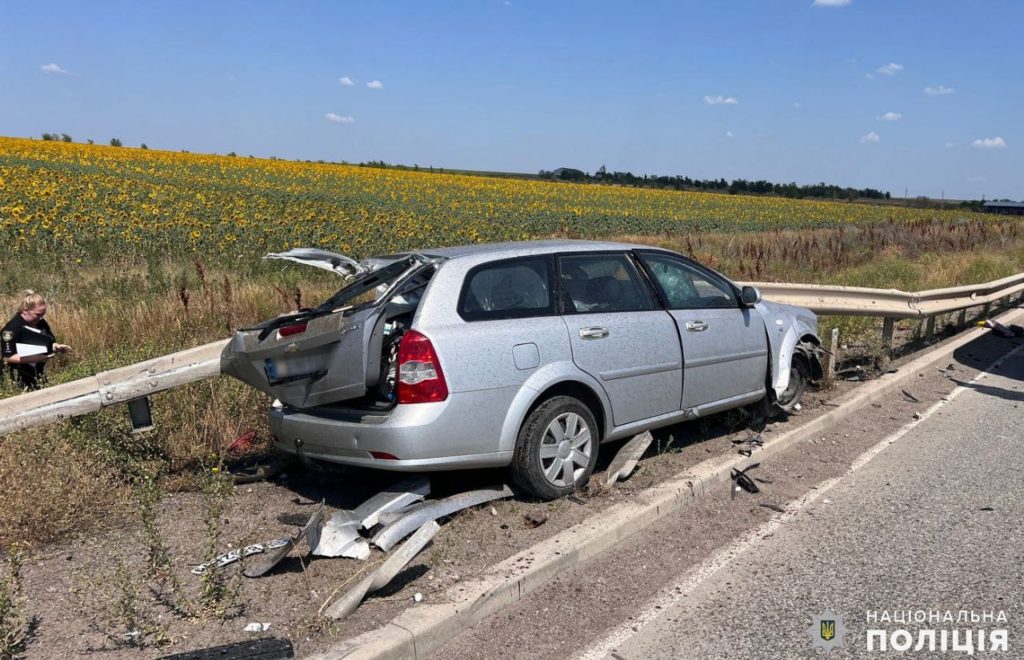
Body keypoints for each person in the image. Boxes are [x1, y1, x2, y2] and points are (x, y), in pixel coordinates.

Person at [1, 290, 71, 390]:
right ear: (25, 311)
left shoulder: (41, 322)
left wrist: (57, 347)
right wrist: (36, 358)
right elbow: (8, 357)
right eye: (38, 314)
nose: (41, 317)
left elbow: (48, 342)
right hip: (17, 377)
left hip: (38, 373)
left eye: (43, 314)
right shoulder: (11, 329)